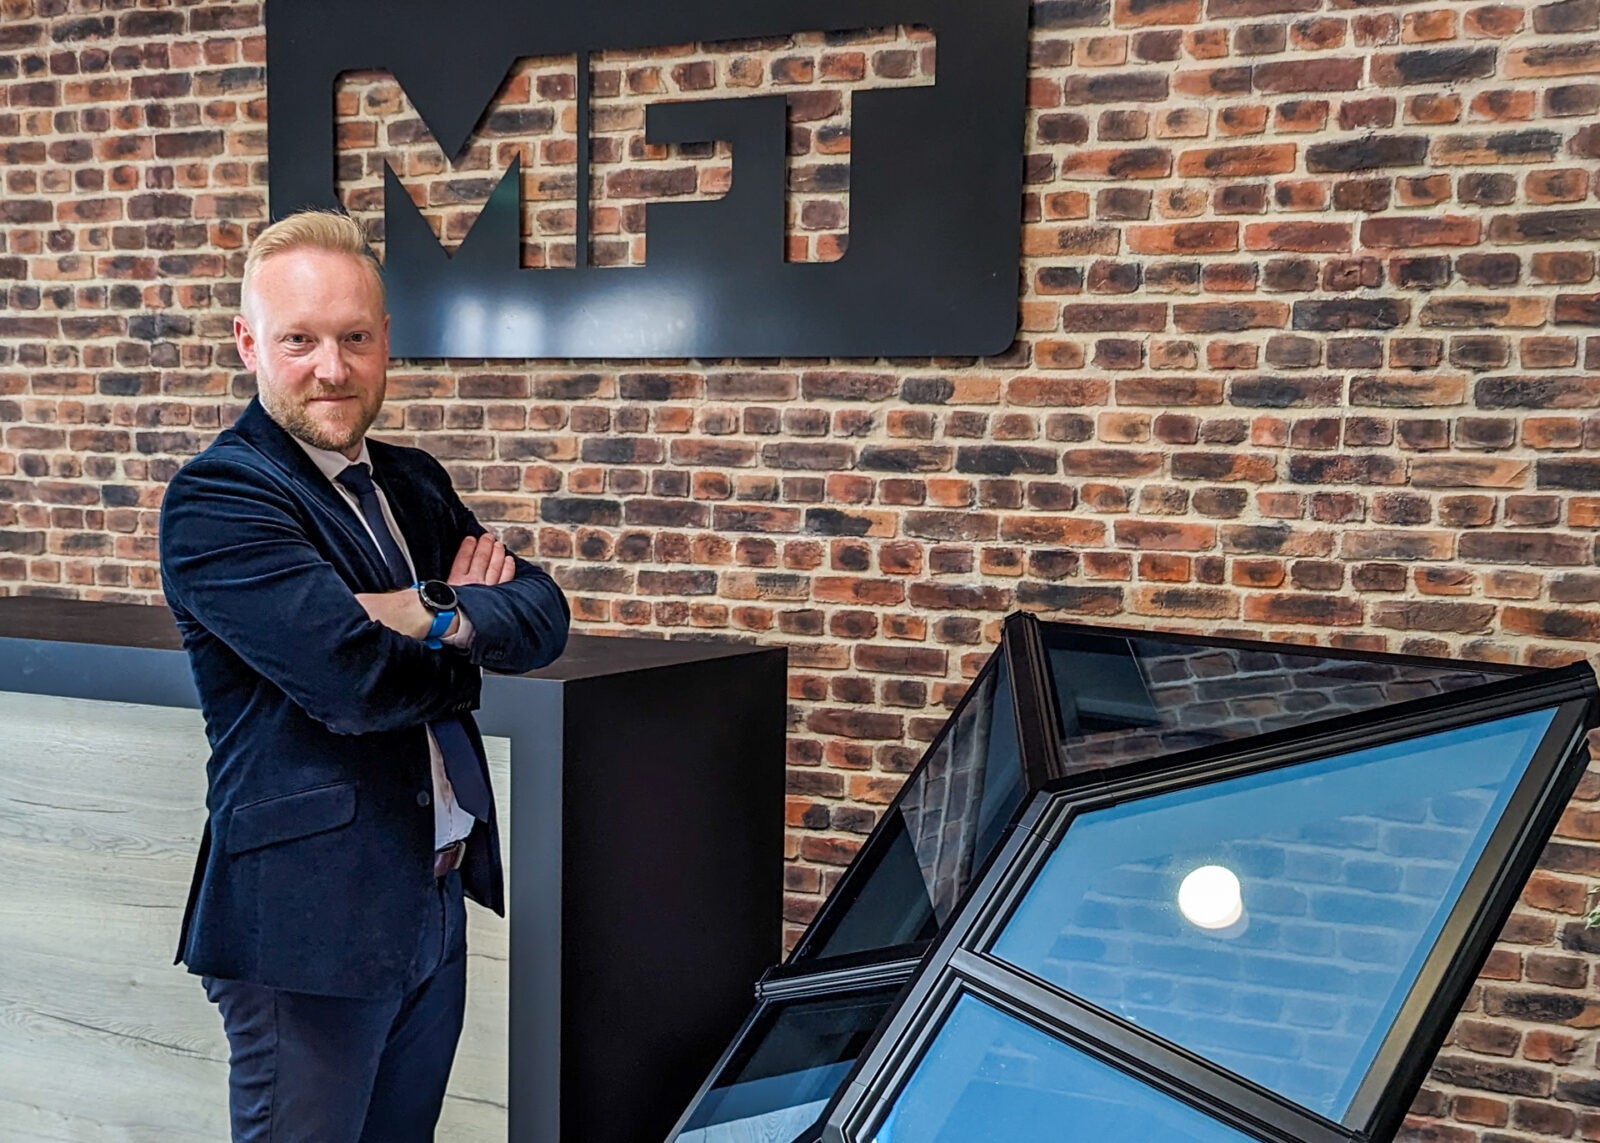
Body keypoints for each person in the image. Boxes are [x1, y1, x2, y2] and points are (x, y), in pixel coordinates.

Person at [158, 209, 569, 1141]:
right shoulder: (222, 496)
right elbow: (350, 681)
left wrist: (418, 611)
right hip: (309, 923)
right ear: (249, 342)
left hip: (428, 898)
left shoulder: (413, 480)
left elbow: (542, 614)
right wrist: (464, 632)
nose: (331, 368)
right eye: (299, 340)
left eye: (353, 338)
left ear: (387, 341)